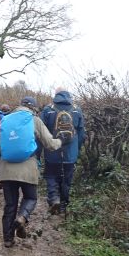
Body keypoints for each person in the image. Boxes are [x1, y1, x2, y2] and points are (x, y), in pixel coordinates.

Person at [0, 96, 63, 247]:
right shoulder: (34, 120)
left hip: (7, 170)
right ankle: (22, 217)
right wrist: (61, 141)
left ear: (19, 106)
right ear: (33, 108)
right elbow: (50, 144)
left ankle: (8, 240)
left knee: (10, 205)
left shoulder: (6, 120)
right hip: (28, 169)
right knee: (30, 198)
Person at [40, 87, 85, 215]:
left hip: (52, 152)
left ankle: (54, 199)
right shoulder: (77, 110)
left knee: (51, 176)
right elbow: (82, 134)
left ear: (56, 95)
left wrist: (44, 147)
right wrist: (77, 149)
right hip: (70, 154)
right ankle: (63, 206)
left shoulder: (48, 110)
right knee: (67, 179)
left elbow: (40, 132)